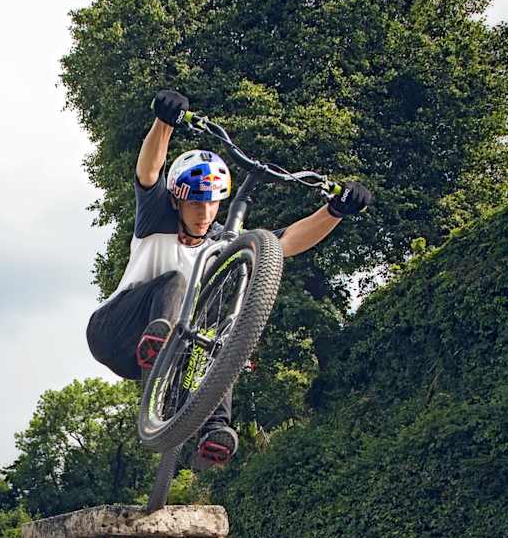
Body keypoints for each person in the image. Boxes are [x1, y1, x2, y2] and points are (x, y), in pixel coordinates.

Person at [86, 89, 372, 468]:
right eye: (194, 203)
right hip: (116, 330)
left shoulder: (225, 243)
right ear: (176, 201)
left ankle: (214, 431)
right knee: (175, 281)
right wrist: (164, 122)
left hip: (158, 355)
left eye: (211, 203)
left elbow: (284, 242)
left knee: (222, 337)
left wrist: (335, 210)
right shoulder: (157, 218)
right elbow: (148, 173)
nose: (203, 213)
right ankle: (161, 336)